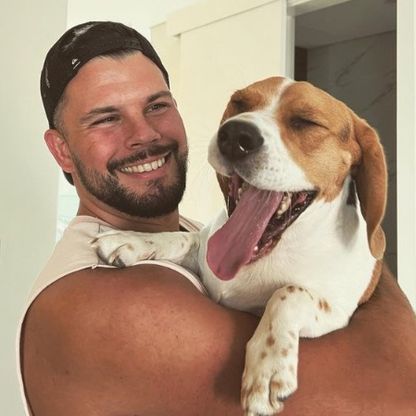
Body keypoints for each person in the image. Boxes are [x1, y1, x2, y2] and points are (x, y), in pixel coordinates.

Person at [19, 21, 416, 416]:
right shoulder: (109, 304)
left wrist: (358, 231)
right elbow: (401, 396)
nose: (144, 134)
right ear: (62, 150)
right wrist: (361, 249)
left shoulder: (208, 235)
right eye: (106, 118)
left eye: (156, 106)